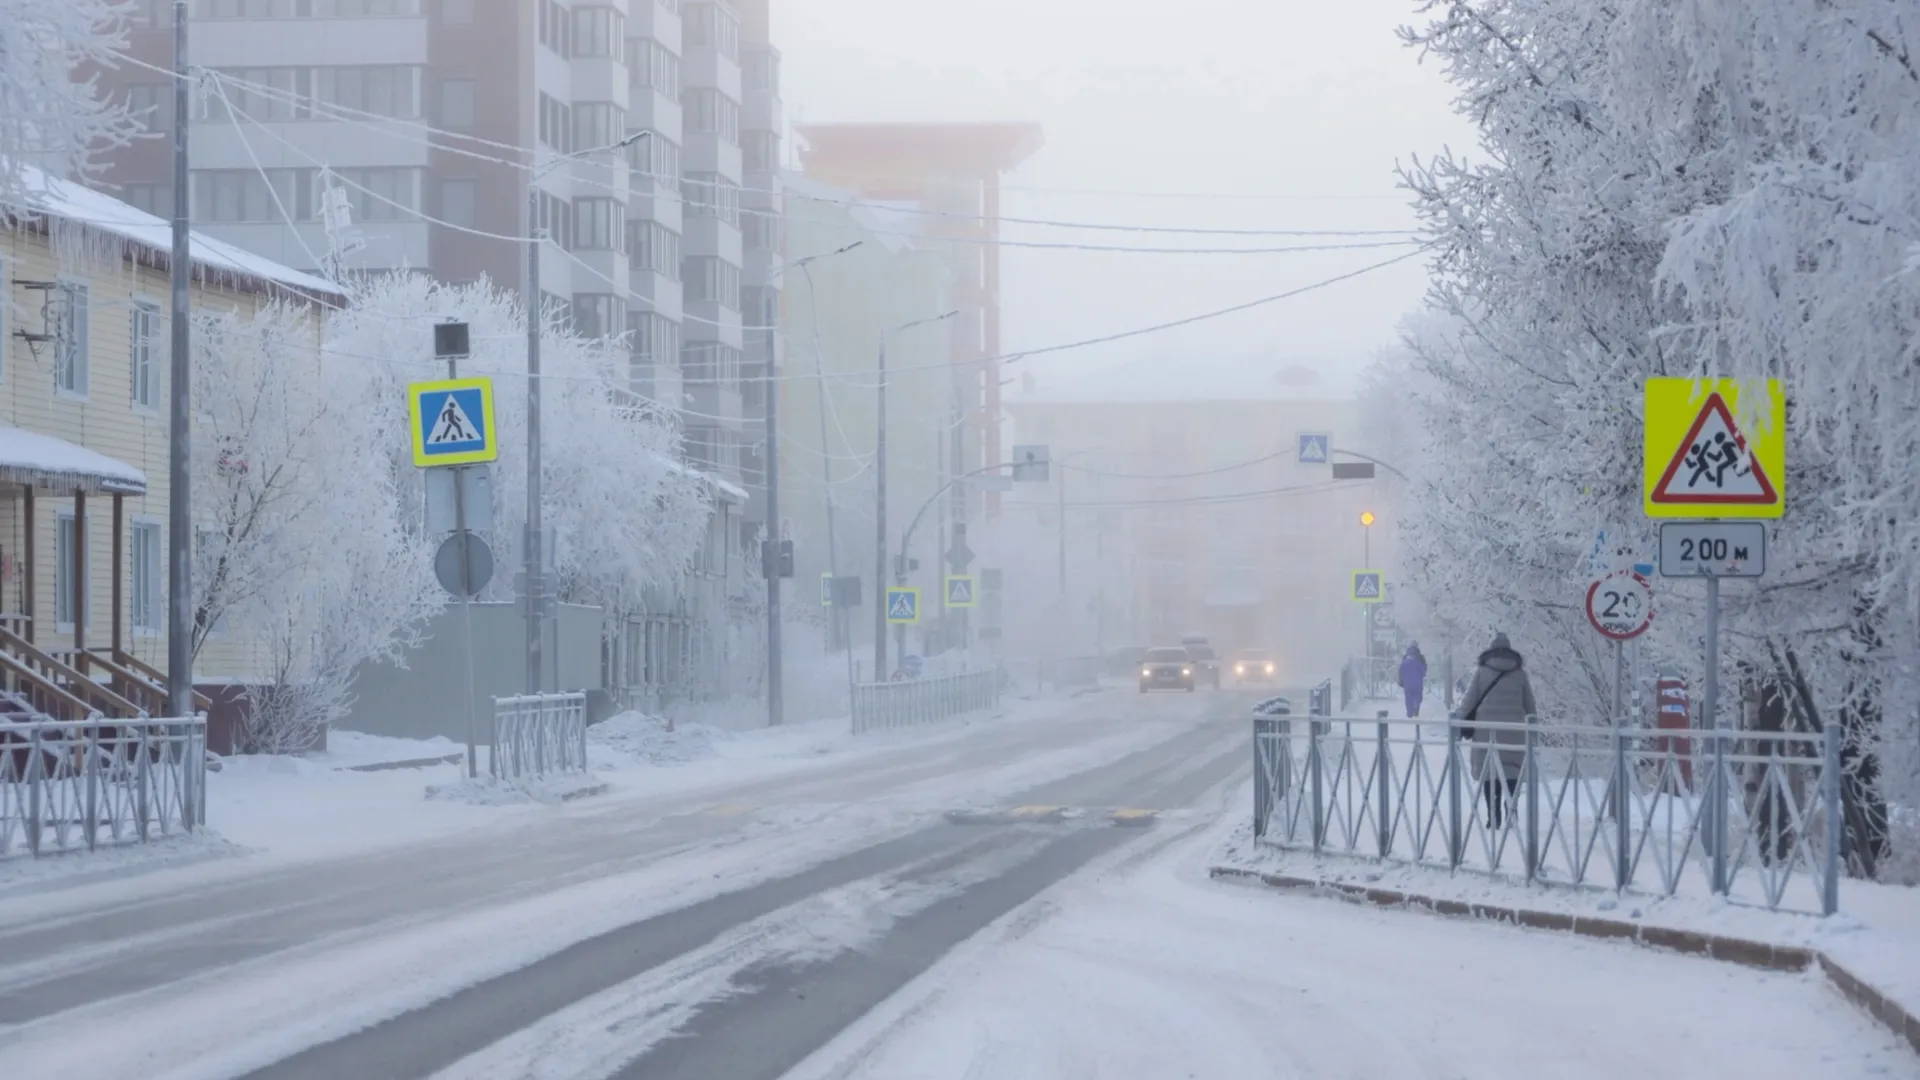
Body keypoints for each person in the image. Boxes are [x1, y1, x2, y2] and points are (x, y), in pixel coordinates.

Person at [1452, 633, 1538, 830]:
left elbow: (1469, 700)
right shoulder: (1520, 674)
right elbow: (1530, 705)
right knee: (1511, 772)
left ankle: (1494, 815)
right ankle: (1511, 811)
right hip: (1513, 732)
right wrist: (1534, 730)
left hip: (1486, 731)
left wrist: (1458, 721)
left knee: (1489, 772)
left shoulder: (1482, 672)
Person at [1397, 644, 1428, 718]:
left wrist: (1401, 681)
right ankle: (1416, 711)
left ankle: (1409, 713)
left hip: (1407, 684)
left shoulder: (1404, 663)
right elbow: (1423, 672)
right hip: (1418, 684)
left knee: (1408, 698)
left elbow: (1400, 672)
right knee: (1417, 697)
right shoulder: (1419, 662)